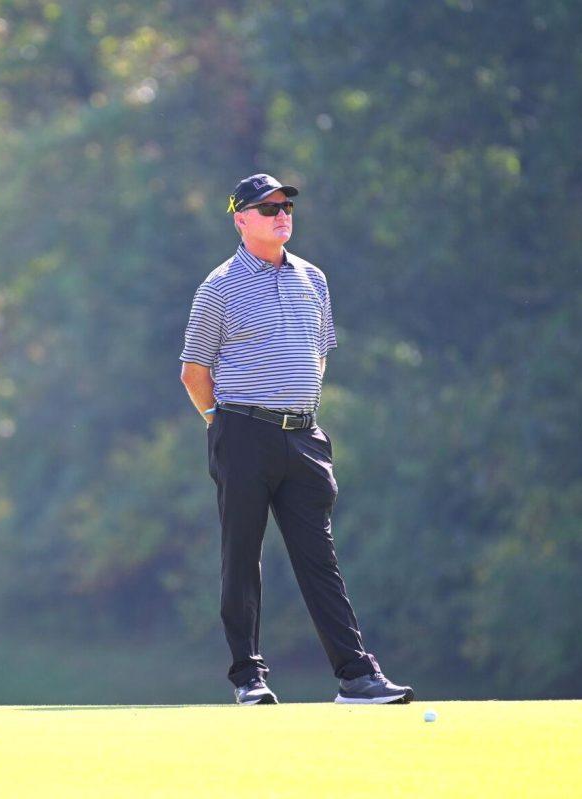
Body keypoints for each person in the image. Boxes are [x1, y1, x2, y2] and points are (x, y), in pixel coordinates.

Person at [179, 173, 413, 705]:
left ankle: (356, 676)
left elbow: (319, 352)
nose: (281, 214)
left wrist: (301, 413)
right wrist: (222, 425)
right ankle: (248, 677)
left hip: (303, 436)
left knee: (319, 557)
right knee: (242, 555)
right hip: (241, 432)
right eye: (267, 209)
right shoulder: (218, 288)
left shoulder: (314, 278)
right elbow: (194, 371)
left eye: (285, 205)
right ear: (240, 220)